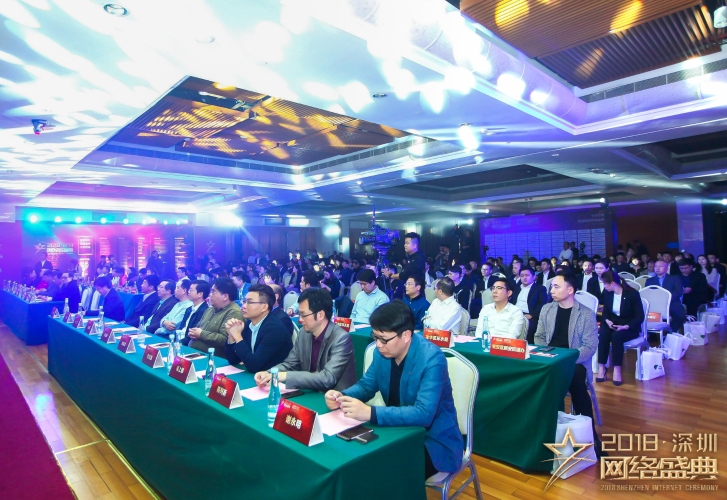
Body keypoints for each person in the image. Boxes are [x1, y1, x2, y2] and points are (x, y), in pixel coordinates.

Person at [325, 300, 463, 479]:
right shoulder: (382, 352)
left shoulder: (432, 359)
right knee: (355, 461)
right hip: (396, 430)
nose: (378, 345)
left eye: (384, 339)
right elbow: (366, 386)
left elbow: (424, 414)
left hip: (433, 440)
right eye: (375, 337)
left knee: (384, 472)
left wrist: (370, 413)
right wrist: (341, 396)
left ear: (406, 336)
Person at [534, 273, 603, 456]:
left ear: (570, 289)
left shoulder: (585, 313)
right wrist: (547, 354)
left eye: (556, 286)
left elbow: (589, 347)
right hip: (550, 358)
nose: (552, 290)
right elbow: (539, 337)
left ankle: (591, 437)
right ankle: (541, 433)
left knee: (576, 380)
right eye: (551, 286)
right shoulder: (547, 309)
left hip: (574, 360)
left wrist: (566, 359)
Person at [255, 287, 355, 392]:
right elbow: (290, 364)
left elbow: (327, 378)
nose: (300, 320)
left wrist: (285, 376)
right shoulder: (303, 333)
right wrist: (269, 373)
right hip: (311, 392)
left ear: (320, 315)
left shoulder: (341, 338)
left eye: (303, 315)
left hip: (337, 397)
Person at [225, 284, 293, 371]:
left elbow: (254, 366)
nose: (244, 306)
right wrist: (231, 336)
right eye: (244, 301)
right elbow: (233, 360)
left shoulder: (275, 329)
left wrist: (237, 336)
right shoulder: (249, 324)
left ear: (264, 307)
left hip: (275, 376)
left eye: (250, 302)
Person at [596, 271, 645, 386]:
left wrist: (626, 326)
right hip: (612, 322)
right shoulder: (608, 293)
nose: (604, 286)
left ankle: (617, 369)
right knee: (603, 334)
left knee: (616, 336)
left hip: (629, 325)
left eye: (605, 284)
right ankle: (602, 367)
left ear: (612, 283)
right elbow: (605, 311)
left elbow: (640, 316)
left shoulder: (632, 294)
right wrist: (607, 320)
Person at [188, 278, 243, 358]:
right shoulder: (210, 309)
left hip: (214, 359)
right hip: (194, 353)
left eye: (213, 292)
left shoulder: (233, 312)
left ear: (225, 296)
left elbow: (225, 339)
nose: (210, 295)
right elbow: (199, 328)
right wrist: (193, 333)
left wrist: (201, 334)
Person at [645, 260, 686, 332]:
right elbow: (648, 293)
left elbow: (678, 292)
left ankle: (670, 332)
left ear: (667, 268)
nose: (657, 268)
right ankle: (653, 334)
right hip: (655, 305)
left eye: (660, 266)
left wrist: (666, 299)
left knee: (679, 315)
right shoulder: (649, 280)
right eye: (656, 266)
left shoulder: (675, 278)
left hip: (672, 303)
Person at [382, 232, 426, 299]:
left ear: (414, 245)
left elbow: (405, 274)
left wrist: (390, 275)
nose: (405, 245)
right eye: (405, 243)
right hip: (409, 292)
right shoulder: (411, 257)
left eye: (407, 243)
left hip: (416, 294)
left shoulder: (418, 258)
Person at [511, 266, 547, 343]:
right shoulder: (517, 287)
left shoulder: (540, 288)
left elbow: (542, 303)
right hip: (515, 313)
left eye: (527, 275)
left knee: (530, 327)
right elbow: (512, 302)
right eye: (522, 276)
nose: (524, 278)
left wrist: (532, 315)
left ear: (534, 277)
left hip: (530, 315)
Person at [179, 280, 210, 346]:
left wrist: (179, 343)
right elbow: (181, 327)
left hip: (188, 344)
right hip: (179, 339)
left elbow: (193, 333)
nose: (188, 292)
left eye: (191, 290)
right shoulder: (189, 309)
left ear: (200, 294)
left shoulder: (205, 311)